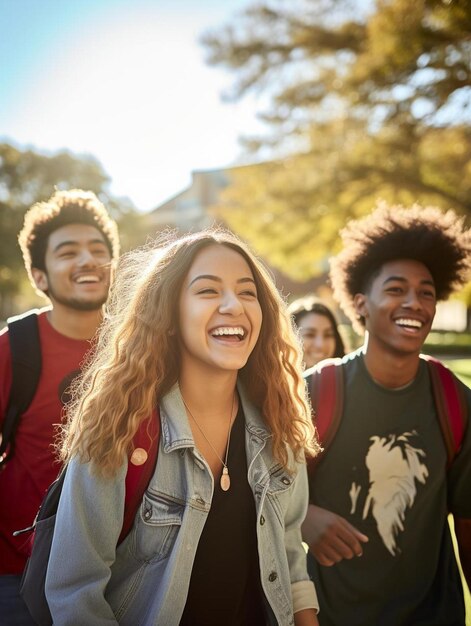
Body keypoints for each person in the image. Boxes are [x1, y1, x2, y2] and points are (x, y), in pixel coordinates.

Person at [44, 229, 321, 626]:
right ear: (169, 316)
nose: (233, 306)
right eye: (208, 291)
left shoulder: (282, 424)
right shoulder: (119, 428)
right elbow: (76, 592)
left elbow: (291, 559)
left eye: (247, 292)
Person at [302, 203, 471, 625]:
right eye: (395, 289)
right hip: (331, 616)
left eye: (426, 292)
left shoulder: (456, 401)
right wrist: (301, 517)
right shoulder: (314, 392)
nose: (414, 302)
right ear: (361, 304)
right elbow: (259, 496)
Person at [0, 189, 119, 624]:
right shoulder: (14, 349)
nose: (87, 260)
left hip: (117, 574)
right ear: (40, 276)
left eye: (98, 250)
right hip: (18, 575)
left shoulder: (142, 349)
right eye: (68, 252)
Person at [288, 297, 345, 369]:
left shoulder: (351, 377)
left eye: (328, 335)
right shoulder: (273, 378)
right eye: (310, 335)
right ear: (288, 337)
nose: (320, 344)